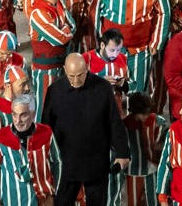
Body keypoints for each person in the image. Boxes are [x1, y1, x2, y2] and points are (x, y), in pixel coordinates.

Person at [42, 53, 127, 206]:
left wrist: (122, 153)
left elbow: (114, 121)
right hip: (65, 162)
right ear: (64, 70)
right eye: (71, 76)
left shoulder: (103, 87)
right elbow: (46, 127)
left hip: (96, 161)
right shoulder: (54, 91)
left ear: (87, 68)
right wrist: (45, 158)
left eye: (80, 75)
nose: (76, 81)